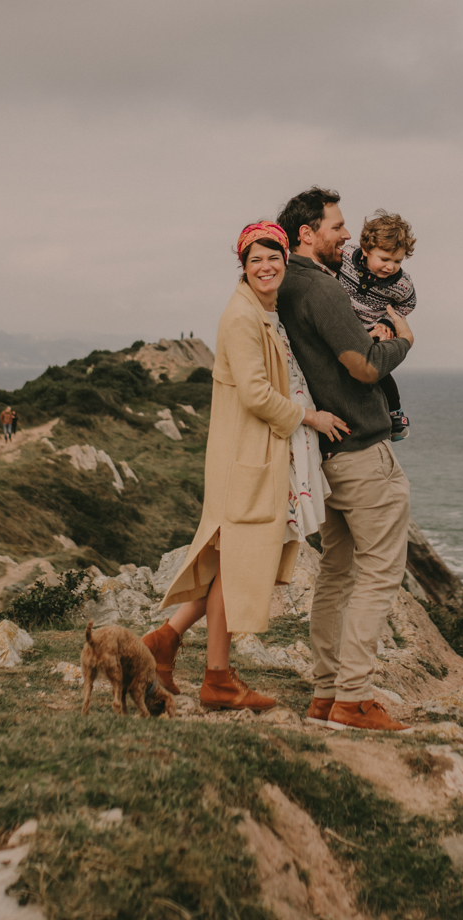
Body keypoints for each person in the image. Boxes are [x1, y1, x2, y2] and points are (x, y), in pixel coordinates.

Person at [146, 222, 349, 711]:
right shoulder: (241, 317)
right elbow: (258, 395)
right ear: (243, 264)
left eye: (273, 257)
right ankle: (214, 676)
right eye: (255, 259)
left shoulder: (262, 311)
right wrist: (311, 417)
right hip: (247, 461)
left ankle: (167, 643)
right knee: (236, 568)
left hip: (249, 459)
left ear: (285, 258)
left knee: (227, 568)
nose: (266, 266)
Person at [274, 186, 416, 732]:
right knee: (380, 571)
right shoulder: (324, 290)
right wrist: (403, 341)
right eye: (336, 226)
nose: (346, 235)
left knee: (336, 572)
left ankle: (326, 692)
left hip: (324, 453)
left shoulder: (285, 287)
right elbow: (362, 365)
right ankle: (353, 698)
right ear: (307, 232)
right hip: (360, 451)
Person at [337, 210, 418, 441]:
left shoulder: (402, 284)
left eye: (397, 261)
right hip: (343, 322)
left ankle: (395, 414)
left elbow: (408, 303)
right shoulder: (345, 256)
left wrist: (386, 321)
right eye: (384, 259)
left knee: (377, 370)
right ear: (365, 249)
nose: (390, 266)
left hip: (373, 328)